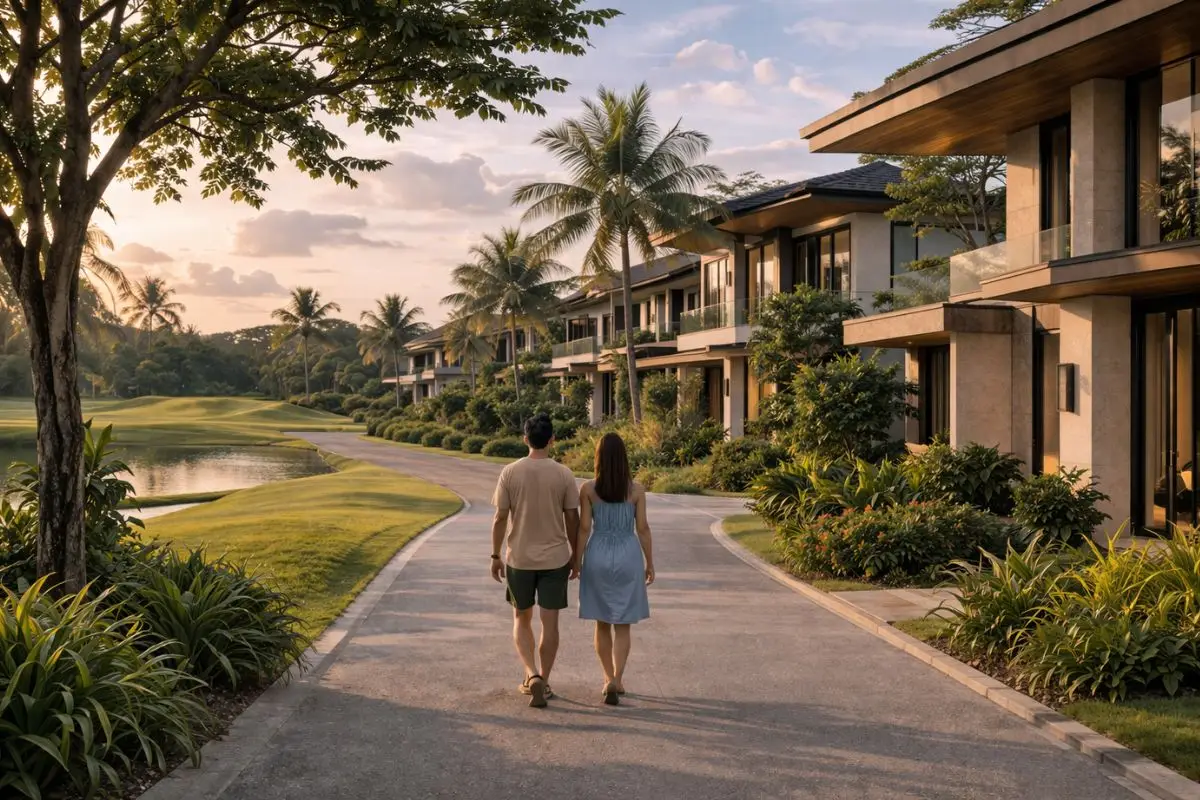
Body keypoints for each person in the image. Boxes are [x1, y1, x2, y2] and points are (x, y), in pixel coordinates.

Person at [490, 412, 580, 708]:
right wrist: (576, 556)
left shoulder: (510, 472)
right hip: (556, 559)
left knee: (521, 617)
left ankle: (531, 675)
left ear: (525, 439)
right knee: (550, 623)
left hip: (519, 559)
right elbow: (572, 519)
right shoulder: (564, 474)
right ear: (553, 439)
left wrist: (494, 554)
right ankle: (546, 678)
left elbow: (500, 516)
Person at [577, 432, 654, 706]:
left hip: (597, 552)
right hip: (628, 554)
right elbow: (642, 529)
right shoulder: (637, 491)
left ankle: (607, 677)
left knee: (602, 622)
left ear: (598, 458)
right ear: (624, 459)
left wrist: (576, 561)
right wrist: (650, 562)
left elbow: (584, 528)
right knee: (623, 624)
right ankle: (619, 679)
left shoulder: (587, 489)